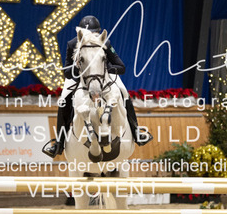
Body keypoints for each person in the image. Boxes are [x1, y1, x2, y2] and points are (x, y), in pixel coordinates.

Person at [42, 15, 153, 158]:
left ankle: (136, 131)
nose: (93, 37)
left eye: (95, 34)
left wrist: (104, 68)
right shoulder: (72, 44)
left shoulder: (105, 42)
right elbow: (67, 72)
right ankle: (59, 142)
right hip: (80, 78)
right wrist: (78, 67)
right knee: (63, 99)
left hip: (103, 76)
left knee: (123, 92)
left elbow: (121, 67)